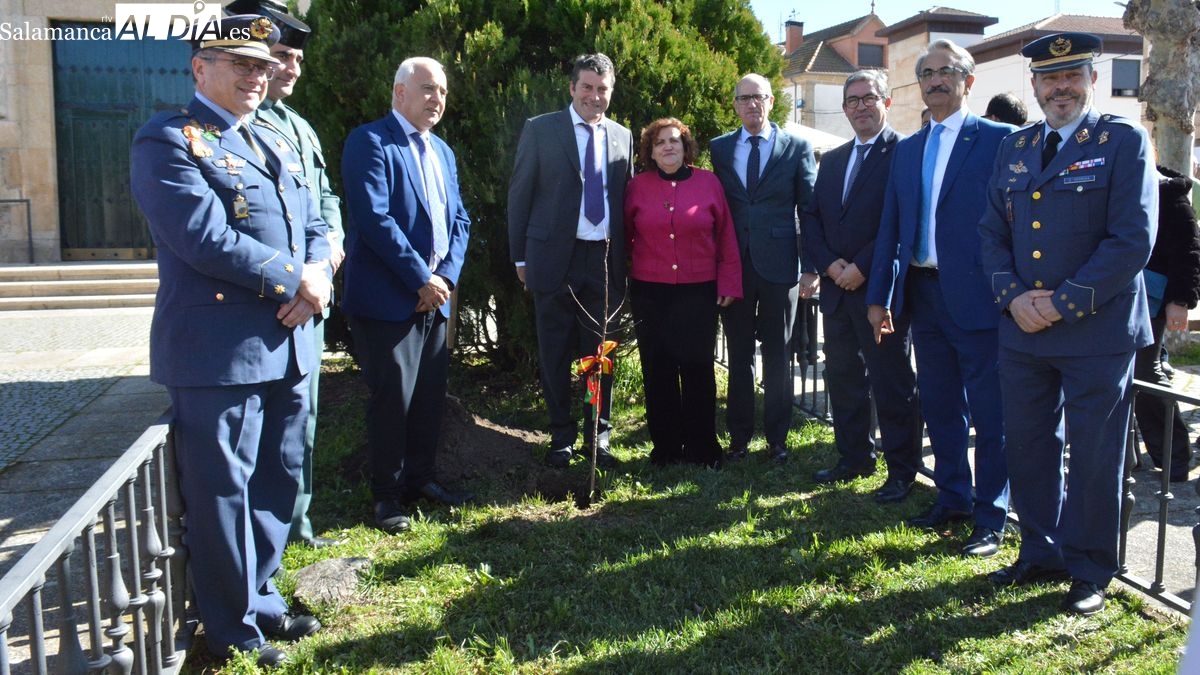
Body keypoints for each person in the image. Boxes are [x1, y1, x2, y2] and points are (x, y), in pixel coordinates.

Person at [129, 14, 329, 667]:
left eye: (261, 64)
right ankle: (230, 627)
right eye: (239, 63)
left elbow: (314, 222)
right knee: (223, 492)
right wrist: (293, 280)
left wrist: (322, 271)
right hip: (221, 354)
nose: (256, 74)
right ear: (199, 68)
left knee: (277, 476)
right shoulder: (169, 140)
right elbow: (204, 237)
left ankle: (261, 596)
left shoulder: (270, 137)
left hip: (289, 344)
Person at [978, 32, 1156, 616]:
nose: (1061, 87)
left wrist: (1063, 301)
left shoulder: (1122, 141)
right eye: (1050, 78)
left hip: (1096, 333)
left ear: (1092, 79)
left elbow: (1132, 238)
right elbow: (991, 232)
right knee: (1027, 447)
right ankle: (1041, 551)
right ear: (1033, 85)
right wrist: (1013, 297)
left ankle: (1089, 569)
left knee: (1095, 455)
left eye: (1072, 74)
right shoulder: (1016, 146)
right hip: (1023, 330)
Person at [866, 39, 1013, 557]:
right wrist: (879, 295)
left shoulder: (1002, 141)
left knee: (991, 412)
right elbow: (892, 227)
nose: (934, 81)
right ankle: (953, 498)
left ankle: (992, 517)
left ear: (968, 81)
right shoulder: (908, 148)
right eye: (926, 73)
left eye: (945, 71)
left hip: (978, 298)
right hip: (921, 296)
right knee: (941, 404)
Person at [226, 0, 345, 549]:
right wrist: (296, 282)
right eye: (278, 56)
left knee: (303, 422)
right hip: (263, 305)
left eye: (294, 58)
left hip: (309, 300)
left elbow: (323, 207)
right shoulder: (237, 127)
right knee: (252, 436)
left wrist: (323, 270)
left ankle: (296, 527)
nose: (288, 68)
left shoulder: (298, 126)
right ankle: (257, 541)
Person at [341, 57, 473, 534]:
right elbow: (376, 220)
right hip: (388, 299)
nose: (437, 99)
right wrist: (421, 278)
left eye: (442, 91)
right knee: (392, 398)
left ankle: (422, 479)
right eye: (427, 89)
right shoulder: (370, 142)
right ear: (399, 93)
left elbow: (459, 220)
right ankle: (386, 496)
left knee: (429, 396)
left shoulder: (443, 152)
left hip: (436, 298)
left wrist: (446, 280)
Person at [507, 53, 635, 469]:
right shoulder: (541, 129)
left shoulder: (622, 136)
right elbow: (520, 195)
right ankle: (561, 436)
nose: (594, 97)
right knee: (557, 354)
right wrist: (520, 258)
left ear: (610, 93)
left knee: (600, 356)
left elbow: (626, 200)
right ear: (572, 88)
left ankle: (598, 436)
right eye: (587, 87)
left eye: (602, 90)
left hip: (603, 262)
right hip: (552, 261)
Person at [801, 70, 922, 504]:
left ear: (886, 102)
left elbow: (905, 219)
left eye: (868, 98)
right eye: (851, 101)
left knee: (891, 383)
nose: (859, 107)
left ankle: (902, 472)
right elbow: (812, 219)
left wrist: (862, 268)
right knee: (844, 378)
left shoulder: (906, 152)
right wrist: (830, 266)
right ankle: (854, 457)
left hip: (879, 291)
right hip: (836, 290)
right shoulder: (832, 160)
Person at [710, 73, 817, 462]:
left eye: (759, 97)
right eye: (744, 98)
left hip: (781, 266)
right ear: (735, 105)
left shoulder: (797, 147)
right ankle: (738, 438)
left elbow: (808, 209)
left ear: (772, 101)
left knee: (778, 354)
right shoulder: (719, 149)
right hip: (735, 266)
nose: (752, 104)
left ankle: (777, 440)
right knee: (738, 355)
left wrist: (811, 266)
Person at [624, 118, 741, 468]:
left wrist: (730, 282)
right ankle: (666, 448)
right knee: (657, 370)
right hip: (650, 291)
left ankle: (703, 448)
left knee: (697, 369)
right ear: (650, 150)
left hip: (698, 290)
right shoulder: (637, 186)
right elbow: (626, 236)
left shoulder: (709, 183)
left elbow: (726, 236)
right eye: (659, 143)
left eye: (674, 141)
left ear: (686, 147)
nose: (668, 147)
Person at [1135, 164, 1200, 482]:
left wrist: (1181, 301)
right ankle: (1131, 455)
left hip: (1153, 298)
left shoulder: (1171, 196)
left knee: (1145, 373)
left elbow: (1189, 252)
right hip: (1116, 294)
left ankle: (1175, 458)